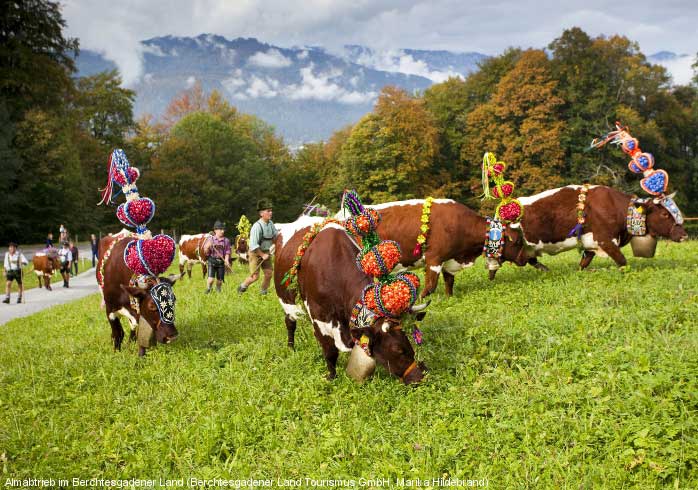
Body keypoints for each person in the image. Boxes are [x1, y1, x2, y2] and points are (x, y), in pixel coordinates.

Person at [238, 199, 278, 295]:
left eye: (271, 210)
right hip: (255, 253)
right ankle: (242, 287)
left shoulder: (271, 224)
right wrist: (262, 255)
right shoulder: (257, 226)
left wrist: (274, 245)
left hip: (266, 252)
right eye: (268, 211)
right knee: (255, 277)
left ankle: (263, 292)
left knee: (269, 274)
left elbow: (275, 236)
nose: (271, 212)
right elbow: (253, 245)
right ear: (261, 213)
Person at [203, 220, 231, 294]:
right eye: (220, 229)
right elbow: (205, 252)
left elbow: (227, 252)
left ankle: (218, 290)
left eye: (223, 229)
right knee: (211, 279)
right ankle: (209, 288)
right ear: (215, 230)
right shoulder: (210, 239)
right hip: (212, 260)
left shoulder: (226, 241)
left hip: (221, 262)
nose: (222, 231)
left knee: (219, 280)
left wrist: (227, 260)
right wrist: (207, 247)